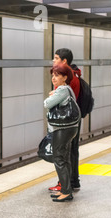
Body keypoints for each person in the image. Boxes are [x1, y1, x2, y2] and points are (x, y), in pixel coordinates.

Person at [44, 63, 79, 202]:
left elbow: (47, 104)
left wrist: (51, 95)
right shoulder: (68, 89)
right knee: (64, 158)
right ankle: (67, 189)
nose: (53, 78)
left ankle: (65, 191)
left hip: (62, 129)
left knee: (59, 158)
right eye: (53, 75)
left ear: (65, 77)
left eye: (57, 75)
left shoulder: (62, 90)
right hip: (70, 128)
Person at [49, 48, 82, 192]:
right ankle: (71, 182)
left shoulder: (67, 81)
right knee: (69, 152)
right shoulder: (72, 77)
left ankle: (66, 185)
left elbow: (55, 103)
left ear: (64, 61)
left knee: (64, 154)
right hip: (72, 121)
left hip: (67, 122)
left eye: (56, 58)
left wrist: (54, 95)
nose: (53, 60)